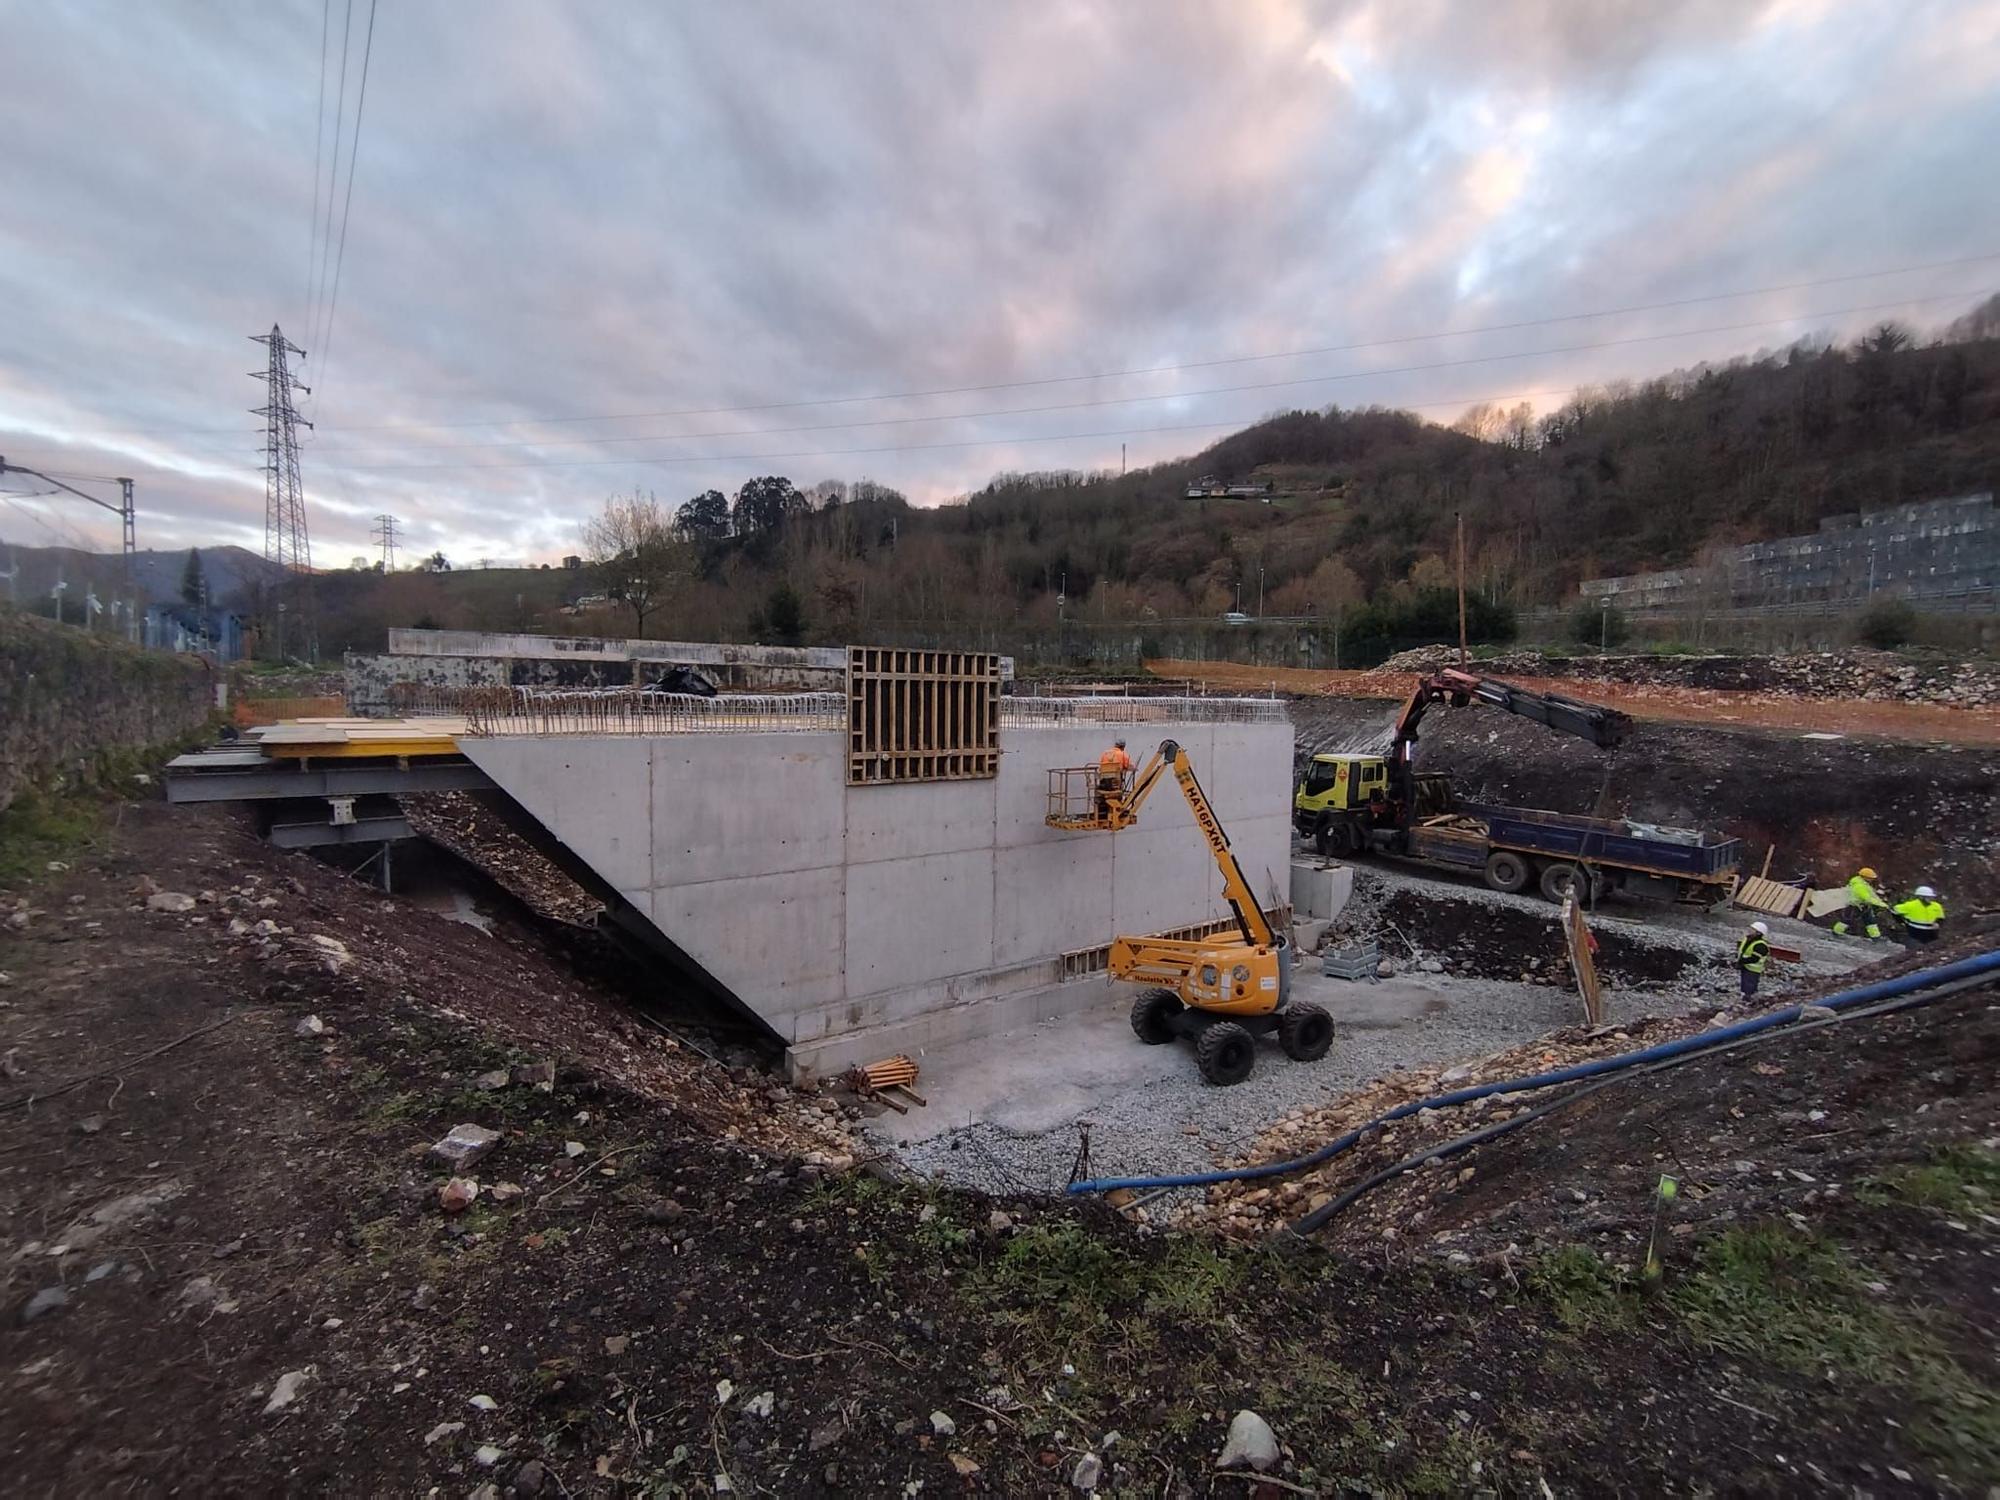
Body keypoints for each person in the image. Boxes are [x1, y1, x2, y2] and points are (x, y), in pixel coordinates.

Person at [1832, 866, 1889, 941]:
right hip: (1854, 906)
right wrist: (1881, 904)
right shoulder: (1859, 885)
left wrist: (1881, 902)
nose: (1872, 880)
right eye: (1870, 878)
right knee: (1847, 920)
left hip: (1863, 906)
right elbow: (1867, 897)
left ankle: (1876, 937)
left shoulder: (1864, 884)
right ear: (1864, 877)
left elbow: (1872, 895)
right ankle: (1836, 932)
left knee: (1870, 921)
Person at [1095, 737, 1134, 818]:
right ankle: (1116, 812)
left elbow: (1101, 766)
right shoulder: (1123, 754)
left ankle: (1101, 812)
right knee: (1119, 791)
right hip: (1115, 783)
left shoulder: (1105, 753)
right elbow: (1130, 766)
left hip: (1103, 783)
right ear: (1123, 747)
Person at [1737, 920, 1770, 999]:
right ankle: (1744, 997)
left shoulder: (1760, 945)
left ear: (1758, 933)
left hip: (1753, 970)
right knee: (1744, 984)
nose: (1749, 930)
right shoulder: (1748, 939)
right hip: (1745, 966)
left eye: (1752, 929)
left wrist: (1742, 961)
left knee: (1749, 986)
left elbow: (1754, 959)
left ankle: (1749, 1000)